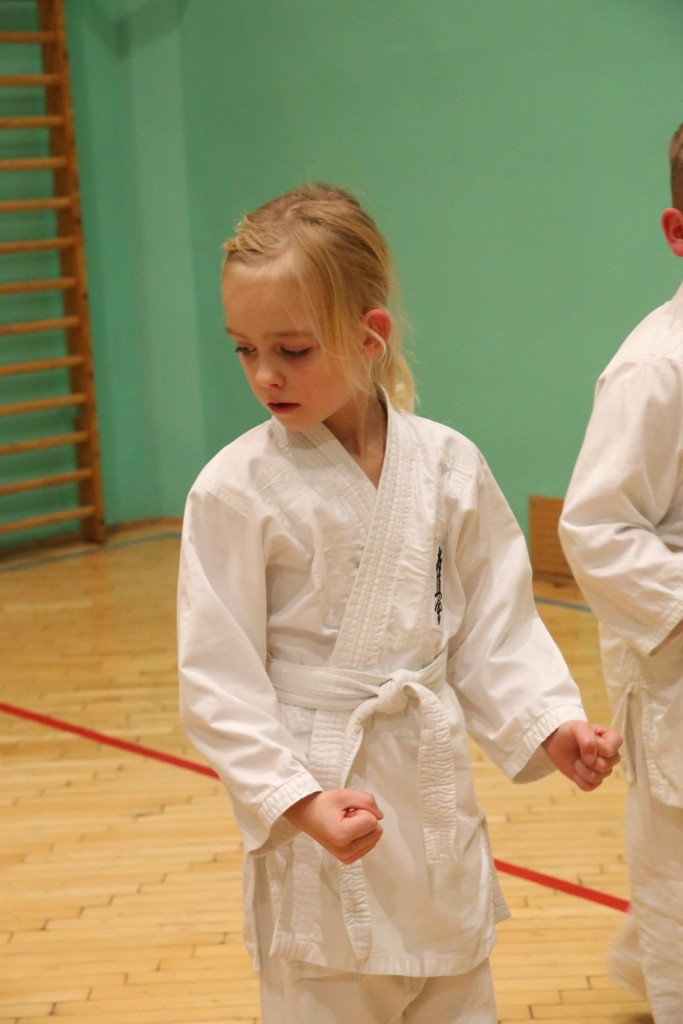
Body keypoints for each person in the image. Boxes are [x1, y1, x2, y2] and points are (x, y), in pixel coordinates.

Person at [178, 183, 622, 1024]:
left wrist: (547, 724)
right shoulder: (234, 490)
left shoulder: (447, 466)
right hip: (321, 807)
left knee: (455, 991)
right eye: (244, 349)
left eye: (292, 349)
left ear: (368, 335)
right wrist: (297, 800)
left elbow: (492, 628)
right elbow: (217, 680)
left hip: (429, 810)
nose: (264, 374)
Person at [559, 122, 683, 1023]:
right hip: (676, 674)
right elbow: (595, 528)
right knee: (677, 877)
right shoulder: (653, 370)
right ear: (677, 232)